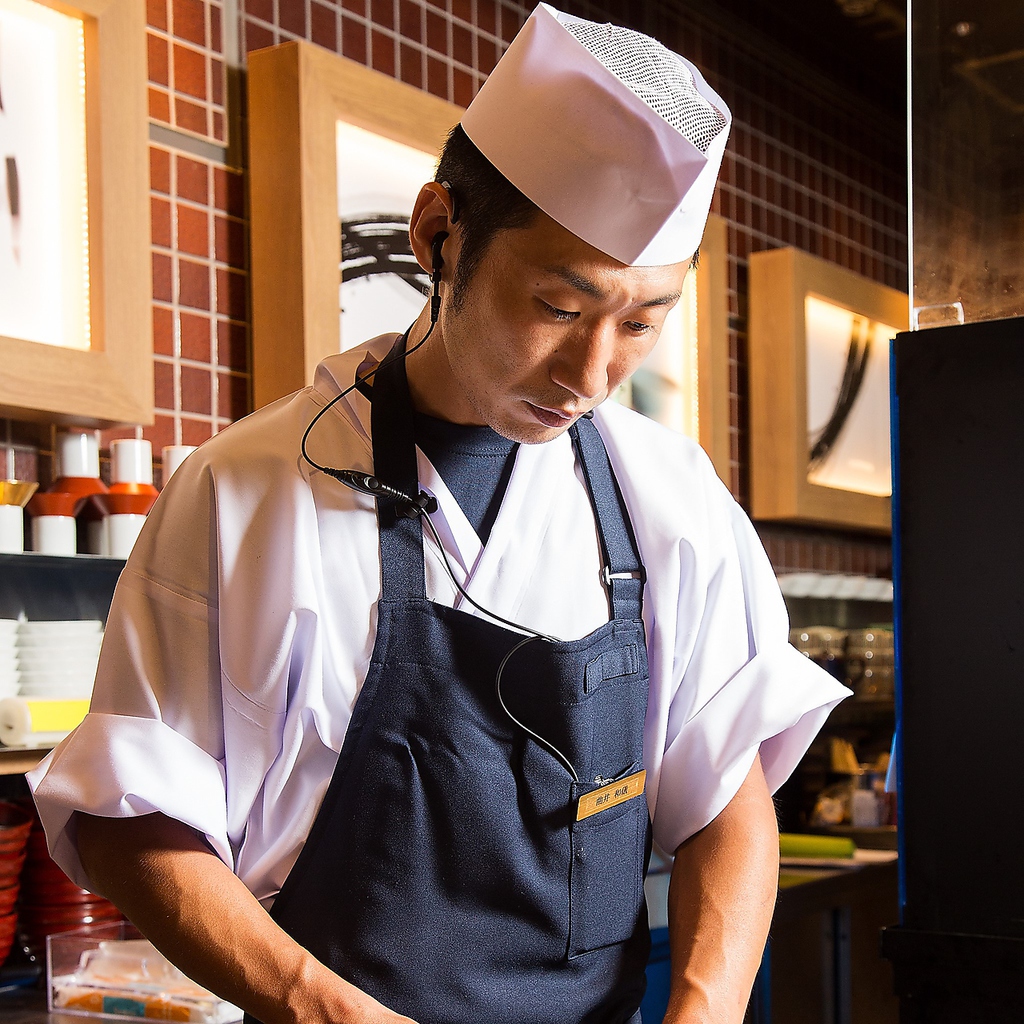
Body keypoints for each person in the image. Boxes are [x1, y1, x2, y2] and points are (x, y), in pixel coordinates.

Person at [29, 6, 849, 1024]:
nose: (593, 374)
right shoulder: (243, 488)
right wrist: (318, 1006)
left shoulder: (670, 498)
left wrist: (704, 1009)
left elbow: (724, 789)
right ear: (437, 233)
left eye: (640, 323)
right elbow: (131, 819)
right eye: (558, 306)